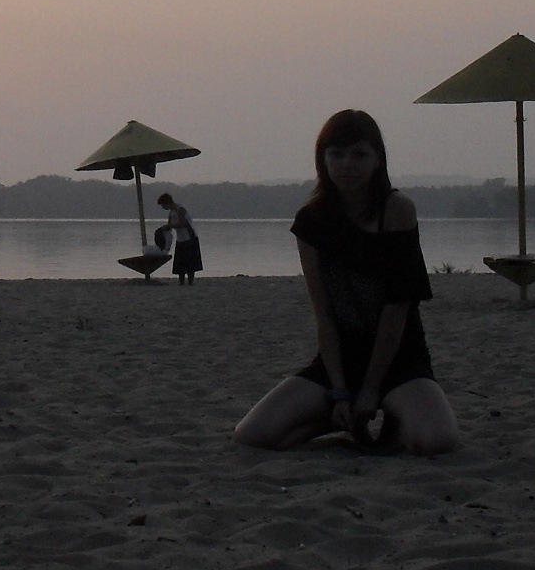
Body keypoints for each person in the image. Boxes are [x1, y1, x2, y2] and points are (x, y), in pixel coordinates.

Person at [234, 110, 459, 454]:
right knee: (252, 435)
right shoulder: (311, 221)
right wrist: (340, 392)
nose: (347, 165)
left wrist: (370, 391)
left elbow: (396, 309)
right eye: (336, 154)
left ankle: (393, 420)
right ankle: (340, 423)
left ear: (378, 160)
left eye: (359, 154)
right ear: (322, 160)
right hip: (339, 362)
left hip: (399, 360)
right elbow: (324, 315)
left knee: (436, 441)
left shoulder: (396, 210)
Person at [156, 192, 203, 285]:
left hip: (189, 238)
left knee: (190, 262)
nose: (163, 207)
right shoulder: (171, 213)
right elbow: (170, 225)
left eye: (163, 205)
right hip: (180, 239)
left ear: (167, 202)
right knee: (180, 263)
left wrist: (171, 226)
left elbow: (183, 223)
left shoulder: (180, 209)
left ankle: (190, 282)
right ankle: (181, 282)